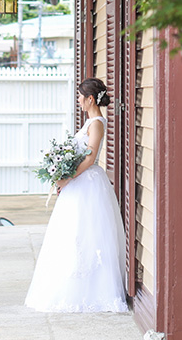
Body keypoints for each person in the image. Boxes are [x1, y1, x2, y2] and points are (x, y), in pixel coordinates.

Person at [24, 77, 129, 313]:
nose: (79, 101)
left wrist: (68, 177)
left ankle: (92, 289)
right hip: (79, 183)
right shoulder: (89, 122)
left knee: (88, 233)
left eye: (81, 97)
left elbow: (90, 158)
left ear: (90, 98)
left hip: (89, 183)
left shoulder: (97, 123)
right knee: (72, 233)